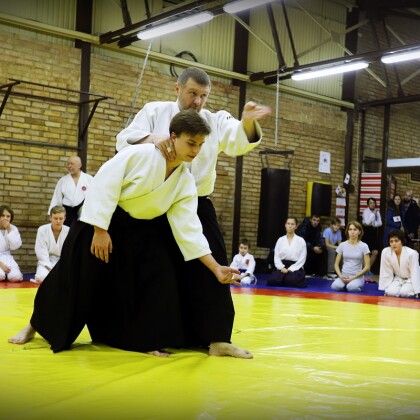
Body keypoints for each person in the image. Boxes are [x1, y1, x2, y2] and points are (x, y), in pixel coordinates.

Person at [9, 111, 248, 359]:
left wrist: (215, 267)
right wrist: (100, 230)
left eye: (200, 145)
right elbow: (104, 182)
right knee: (72, 276)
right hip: (101, 221)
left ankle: (143, 338)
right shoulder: (142, 154)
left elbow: (188, 228)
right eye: (191, 143)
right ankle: (34, 325)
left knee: (155, 277)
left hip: (138, 232)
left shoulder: (184, 180)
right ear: (173, 137)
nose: (195, 151)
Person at [115, 67, 271, 355]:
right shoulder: (155, 111)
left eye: (203, 96)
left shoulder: (214, 119)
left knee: (214, 262)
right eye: (192, 93)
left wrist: (248, 122)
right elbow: (124, 139)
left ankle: (219, 339)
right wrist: (155, 139)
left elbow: (237, 139)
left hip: (197, 200)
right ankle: (150, 337)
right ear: (178, 89)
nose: (198, 101)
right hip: (157, 202)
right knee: (155, 269)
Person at [48, 155, 93, 227]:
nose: (69, 166)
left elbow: (94, 198)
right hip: (67, 212)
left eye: (72, 164)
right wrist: (53, 214)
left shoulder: (89, 179)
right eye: (68, 164)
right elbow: (56, 199)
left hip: (83, 213)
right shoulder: (63, 180)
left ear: (80, 165)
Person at [30, 206, 70, 284]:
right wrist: (50, 268)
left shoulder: (69, 231)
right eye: (55, 218)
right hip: (46, 263)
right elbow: (41, 252)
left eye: (61, 218)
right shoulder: (42, 230)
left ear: (65, 218)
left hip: (62, 263)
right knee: (41, 277)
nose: (58, 221)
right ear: (50, 218)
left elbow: (69, 252)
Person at [379, 229, 420, 298]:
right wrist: (385, 287)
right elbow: (386, 271)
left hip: (411, 278)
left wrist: (417, 291)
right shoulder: (386, 252)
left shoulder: (412, 253)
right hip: (398, 278)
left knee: (404, 293)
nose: (394, 244)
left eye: (396, 241)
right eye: (391, 241)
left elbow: (415, 272)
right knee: (391, 293)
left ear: (402, 241)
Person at [267, 217, 307, 288]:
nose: (290, 226)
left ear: (296, 226)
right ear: (285, 225)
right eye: (288, 224)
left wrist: (291, 269)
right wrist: (281, 267)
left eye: (292, 224)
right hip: (282, 265)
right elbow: (276, 256)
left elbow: (302, 258)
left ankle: (285, 279)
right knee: (273, 280)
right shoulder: (280, 240)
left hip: (296, 267)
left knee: (292, 280)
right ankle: (284, 279)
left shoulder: (301, 240)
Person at [331, 221, 371, 292]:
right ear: (348, 231)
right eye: (350, 229)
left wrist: (354, 277)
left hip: (357, 277)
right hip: (344, 276)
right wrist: (340, 276)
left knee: (351, 288)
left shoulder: (364, 246)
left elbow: (367, 267)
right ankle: (345, 285)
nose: (352, 232)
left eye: (355, 229)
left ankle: (351, 285)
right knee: (335, 287)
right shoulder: (342, 245)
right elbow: (336, 264)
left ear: (359, 232)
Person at [0, 205, 23, 282]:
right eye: (2, 215)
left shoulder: (13, 228)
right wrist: (0, 264)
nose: (5, 218)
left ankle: (7, 274)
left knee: (16, 277)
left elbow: (15, 246)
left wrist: (9, 229)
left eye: (8, 216)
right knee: (0, 276)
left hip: (8, 257)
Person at [362, 197, 383, 276]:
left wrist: (373, 224)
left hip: (374, 233)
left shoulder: (377, 211)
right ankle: (363, 270)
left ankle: (367, 269)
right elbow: (367, 222)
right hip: (366, 233)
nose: (373, 204)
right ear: (368, 204)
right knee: (366, 253)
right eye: (371, 203)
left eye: (374, 203)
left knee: (375, 252)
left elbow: (380, 223)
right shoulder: (366, 211)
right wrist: (373, 214)